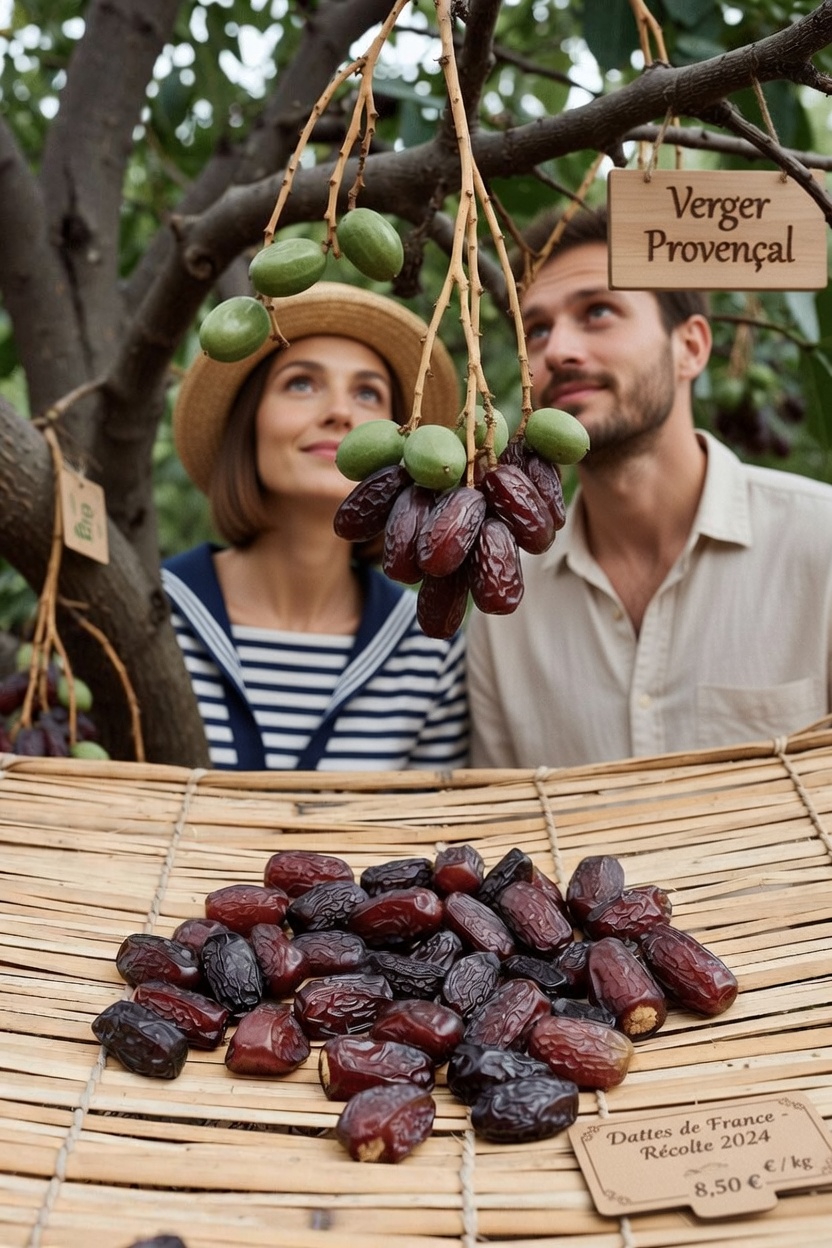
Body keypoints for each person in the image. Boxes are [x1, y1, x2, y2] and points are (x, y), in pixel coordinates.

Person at [467, 204, 832, 768]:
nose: (557, 350)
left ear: (690, 348)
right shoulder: (508, 602)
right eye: (535, 328)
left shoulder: (821, 544)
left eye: (598, 312)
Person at [163, 281, 469, 771]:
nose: (340, 413)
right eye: (301, 383)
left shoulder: (427, 647)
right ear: (250, 423)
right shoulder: (154, 614)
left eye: (368, 393)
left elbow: (431, 838)